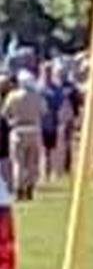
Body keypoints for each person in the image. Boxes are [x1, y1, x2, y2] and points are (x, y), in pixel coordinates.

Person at [3, 71, 47, 201]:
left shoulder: (13, 96)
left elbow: (5, 113)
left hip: (18, 130)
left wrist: (12, 121)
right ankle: (29, 187)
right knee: (32, 162)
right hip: (34, 130)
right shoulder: (37, 96)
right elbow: (44, 111)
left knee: (18, 162)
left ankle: (19, 188)